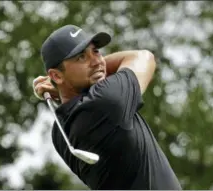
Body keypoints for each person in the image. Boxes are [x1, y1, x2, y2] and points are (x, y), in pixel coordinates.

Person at [33, 24, 182, 190]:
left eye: (96, 51)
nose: (97, 61)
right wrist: (63, 86)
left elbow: (74, 99)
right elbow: (144, 57)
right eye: (81, 57)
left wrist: (61, 87)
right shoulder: (105, 101)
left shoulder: (59, 133)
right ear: (56, 75)